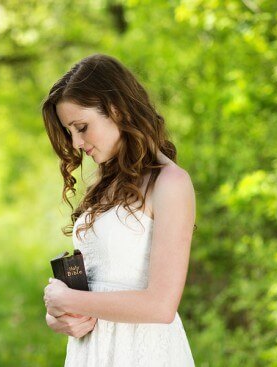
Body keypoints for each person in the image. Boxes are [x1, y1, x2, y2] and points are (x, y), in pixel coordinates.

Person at [40, 53, 196, 366]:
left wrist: (66, 298)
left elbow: (161, 305)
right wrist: (59, 316)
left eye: (81, 127)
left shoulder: (170, 183)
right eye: (70, 132)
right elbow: (98, 284)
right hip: (92, 352)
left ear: (116, 109)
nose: (76, 144)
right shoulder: (106, 183)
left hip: (142, 352)